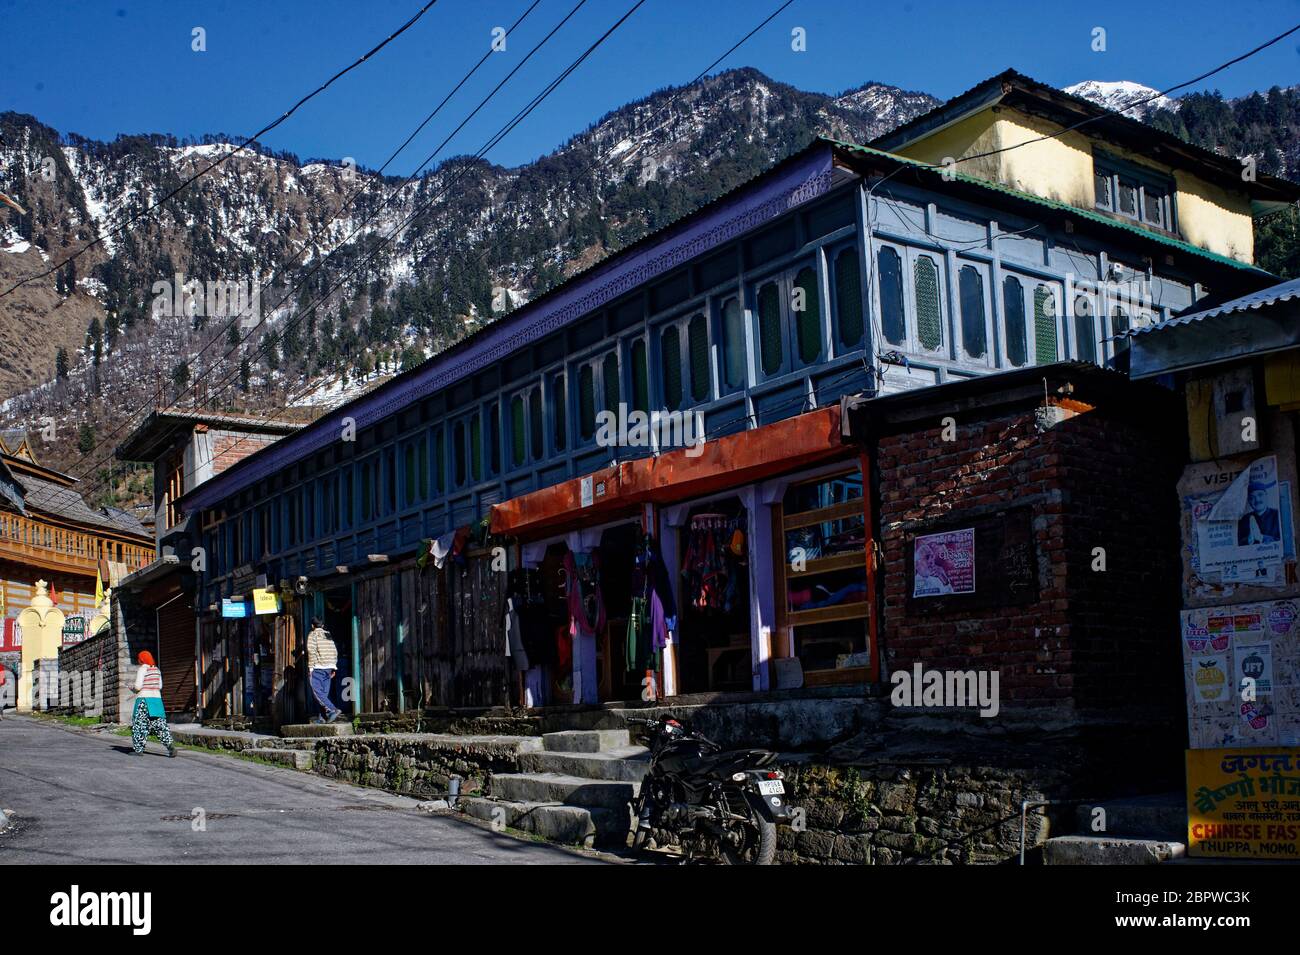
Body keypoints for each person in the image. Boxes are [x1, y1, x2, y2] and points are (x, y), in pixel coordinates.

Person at [131, 650, 175, 757]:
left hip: (144, 701)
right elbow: (160, 686)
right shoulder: (157, 670)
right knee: (160, 725)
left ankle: (138, 750)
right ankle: (170, 747)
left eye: (139, 658)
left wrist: (131, 688)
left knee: (140, 725)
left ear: (141, 659)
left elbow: (137, 686)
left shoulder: (142, 669)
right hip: (156, 701)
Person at [306, 617, 342, 723]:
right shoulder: (328, 635)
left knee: (317, 692)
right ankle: (322, 718)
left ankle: (333, 710)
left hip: (318, 667)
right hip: (329, 667)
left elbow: (311, 651)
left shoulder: (313, 635)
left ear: (312, 626)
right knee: (323, 693)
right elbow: (334, 651)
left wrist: (310, 668)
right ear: (322, 626)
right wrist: (334, 666)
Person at [1237, 480, 1282, 546]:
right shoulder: (1243, 520)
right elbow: (1238, 543)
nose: (1257, 500)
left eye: (1260, 495)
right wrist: (1248, 539)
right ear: (1249, 501)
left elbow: (1284, 541)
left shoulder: (1278, 515)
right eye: (1252, 498)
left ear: (1266, 495)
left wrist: (1261, 537)